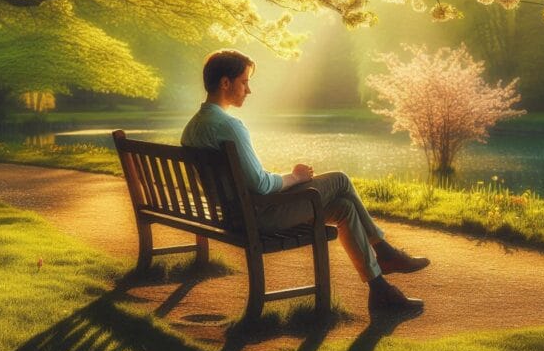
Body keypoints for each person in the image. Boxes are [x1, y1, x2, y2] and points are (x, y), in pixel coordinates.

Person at [181, 49, 429, 314]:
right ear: (225, 83)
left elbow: (249, 181)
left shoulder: (193, 127)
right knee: (341, 181)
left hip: (232, 214)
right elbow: (262, 185)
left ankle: (380, 291)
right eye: (244, 82)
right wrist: (295, 177)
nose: (249, 90)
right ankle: (384, 251)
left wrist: (288, 179)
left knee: (344, 207)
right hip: (257, 217)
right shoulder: (229, 126)